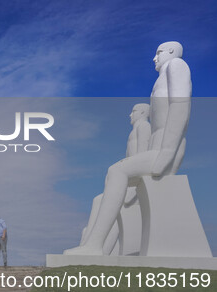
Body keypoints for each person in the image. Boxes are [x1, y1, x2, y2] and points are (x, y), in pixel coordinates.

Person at [65, 41, 191, 255]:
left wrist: (167, 151)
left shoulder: (176, 65)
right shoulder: (162, 77)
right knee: (113, 176)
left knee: (116, 171)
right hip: (159, 148)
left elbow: (181, 104)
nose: (155, 58)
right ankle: (93, 244)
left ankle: (94, 245)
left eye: (158, 52)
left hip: (166, 149)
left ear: (171, 52)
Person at [78, 103, 152, 255]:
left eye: (133, 111)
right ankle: (89, 244)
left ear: (143, 112)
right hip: (129, 181)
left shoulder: (144, 127)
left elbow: (141, 158)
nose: (130, 115)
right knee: (98, 200)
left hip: (136, 184)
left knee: (102, 201)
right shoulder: (134, 132)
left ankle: (96, 247)